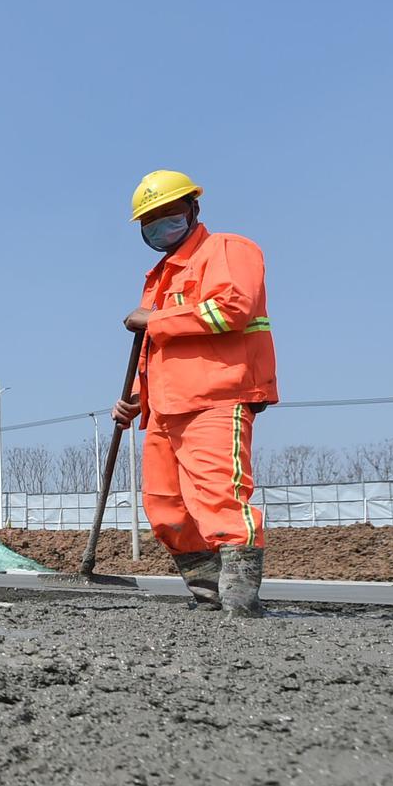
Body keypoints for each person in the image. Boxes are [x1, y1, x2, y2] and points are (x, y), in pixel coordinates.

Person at [112, 169, 277, 617]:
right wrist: (133, 396)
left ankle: (241, 602)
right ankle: (208, 594)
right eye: (151, 223)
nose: (161, 228)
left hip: (216, 397)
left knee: (219, 498)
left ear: (194, 210)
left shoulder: (226, 250)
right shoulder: (159, 276)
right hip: (164, 408)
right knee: (167, 508)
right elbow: (153, 349)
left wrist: (155, 320)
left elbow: (231, 310)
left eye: (171, 216)